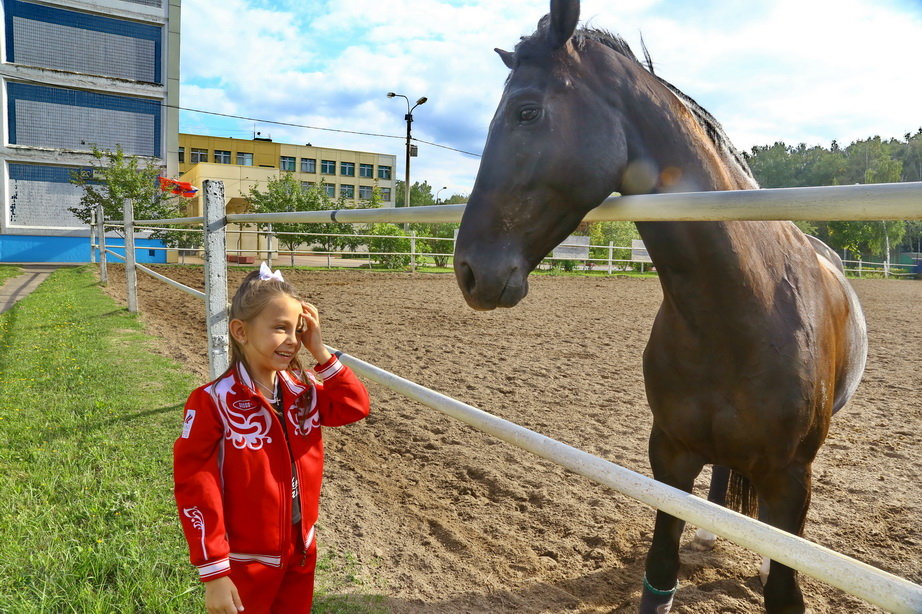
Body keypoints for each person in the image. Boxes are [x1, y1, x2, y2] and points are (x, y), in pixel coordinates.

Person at [174, 263, 370, 614]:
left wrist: (320, 350)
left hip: (300, 551)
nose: (293, 340)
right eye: (280, 328)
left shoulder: (303, 390)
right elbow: (196, 486)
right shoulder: (213, 401)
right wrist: (215, 573)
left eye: (298, 330)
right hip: (245, 562)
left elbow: (354, 406)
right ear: (240, 331)